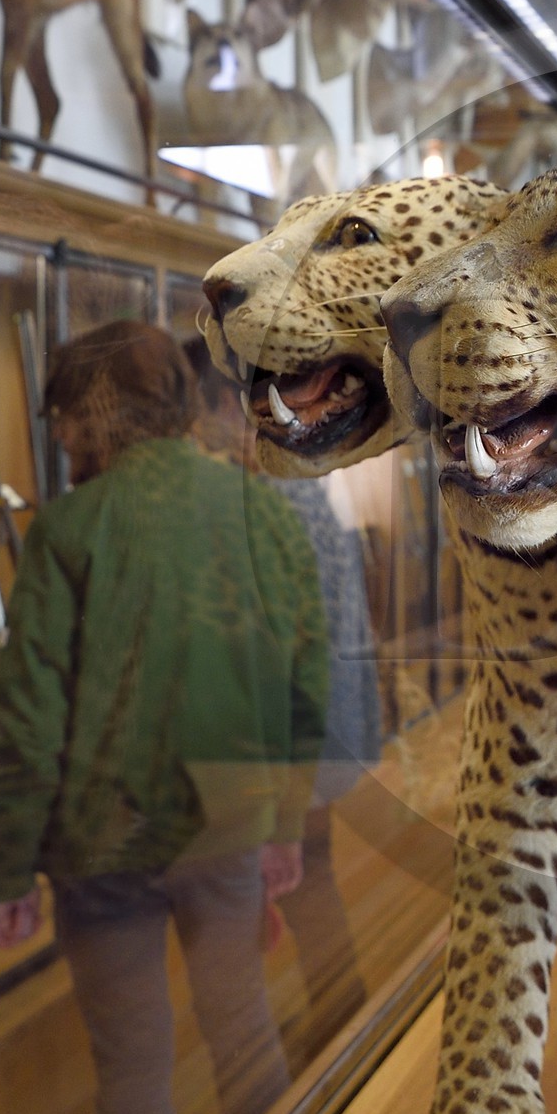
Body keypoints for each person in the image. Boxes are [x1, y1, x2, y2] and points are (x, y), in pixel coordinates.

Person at [0, 321, 328, 1114]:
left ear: (96, 415)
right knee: (241, 1023)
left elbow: (30, 722)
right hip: (226, 824)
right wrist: (285, 823)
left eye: (61, 418)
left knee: (131, 1065)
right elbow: (303, 682)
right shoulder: (261, 512)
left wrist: (8, 869)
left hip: (103, 844)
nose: (57, 438)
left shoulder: (68, 529)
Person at [184, 334, 376, 1053]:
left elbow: (277, 645)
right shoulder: (291, 481)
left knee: (302, 884)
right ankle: (337, 1016)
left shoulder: (262, 495)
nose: (198, 433)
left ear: (228, 412)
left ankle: (336, 1025)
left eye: (201, 415)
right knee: (305, 883)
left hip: (304, 729)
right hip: (327, 720)